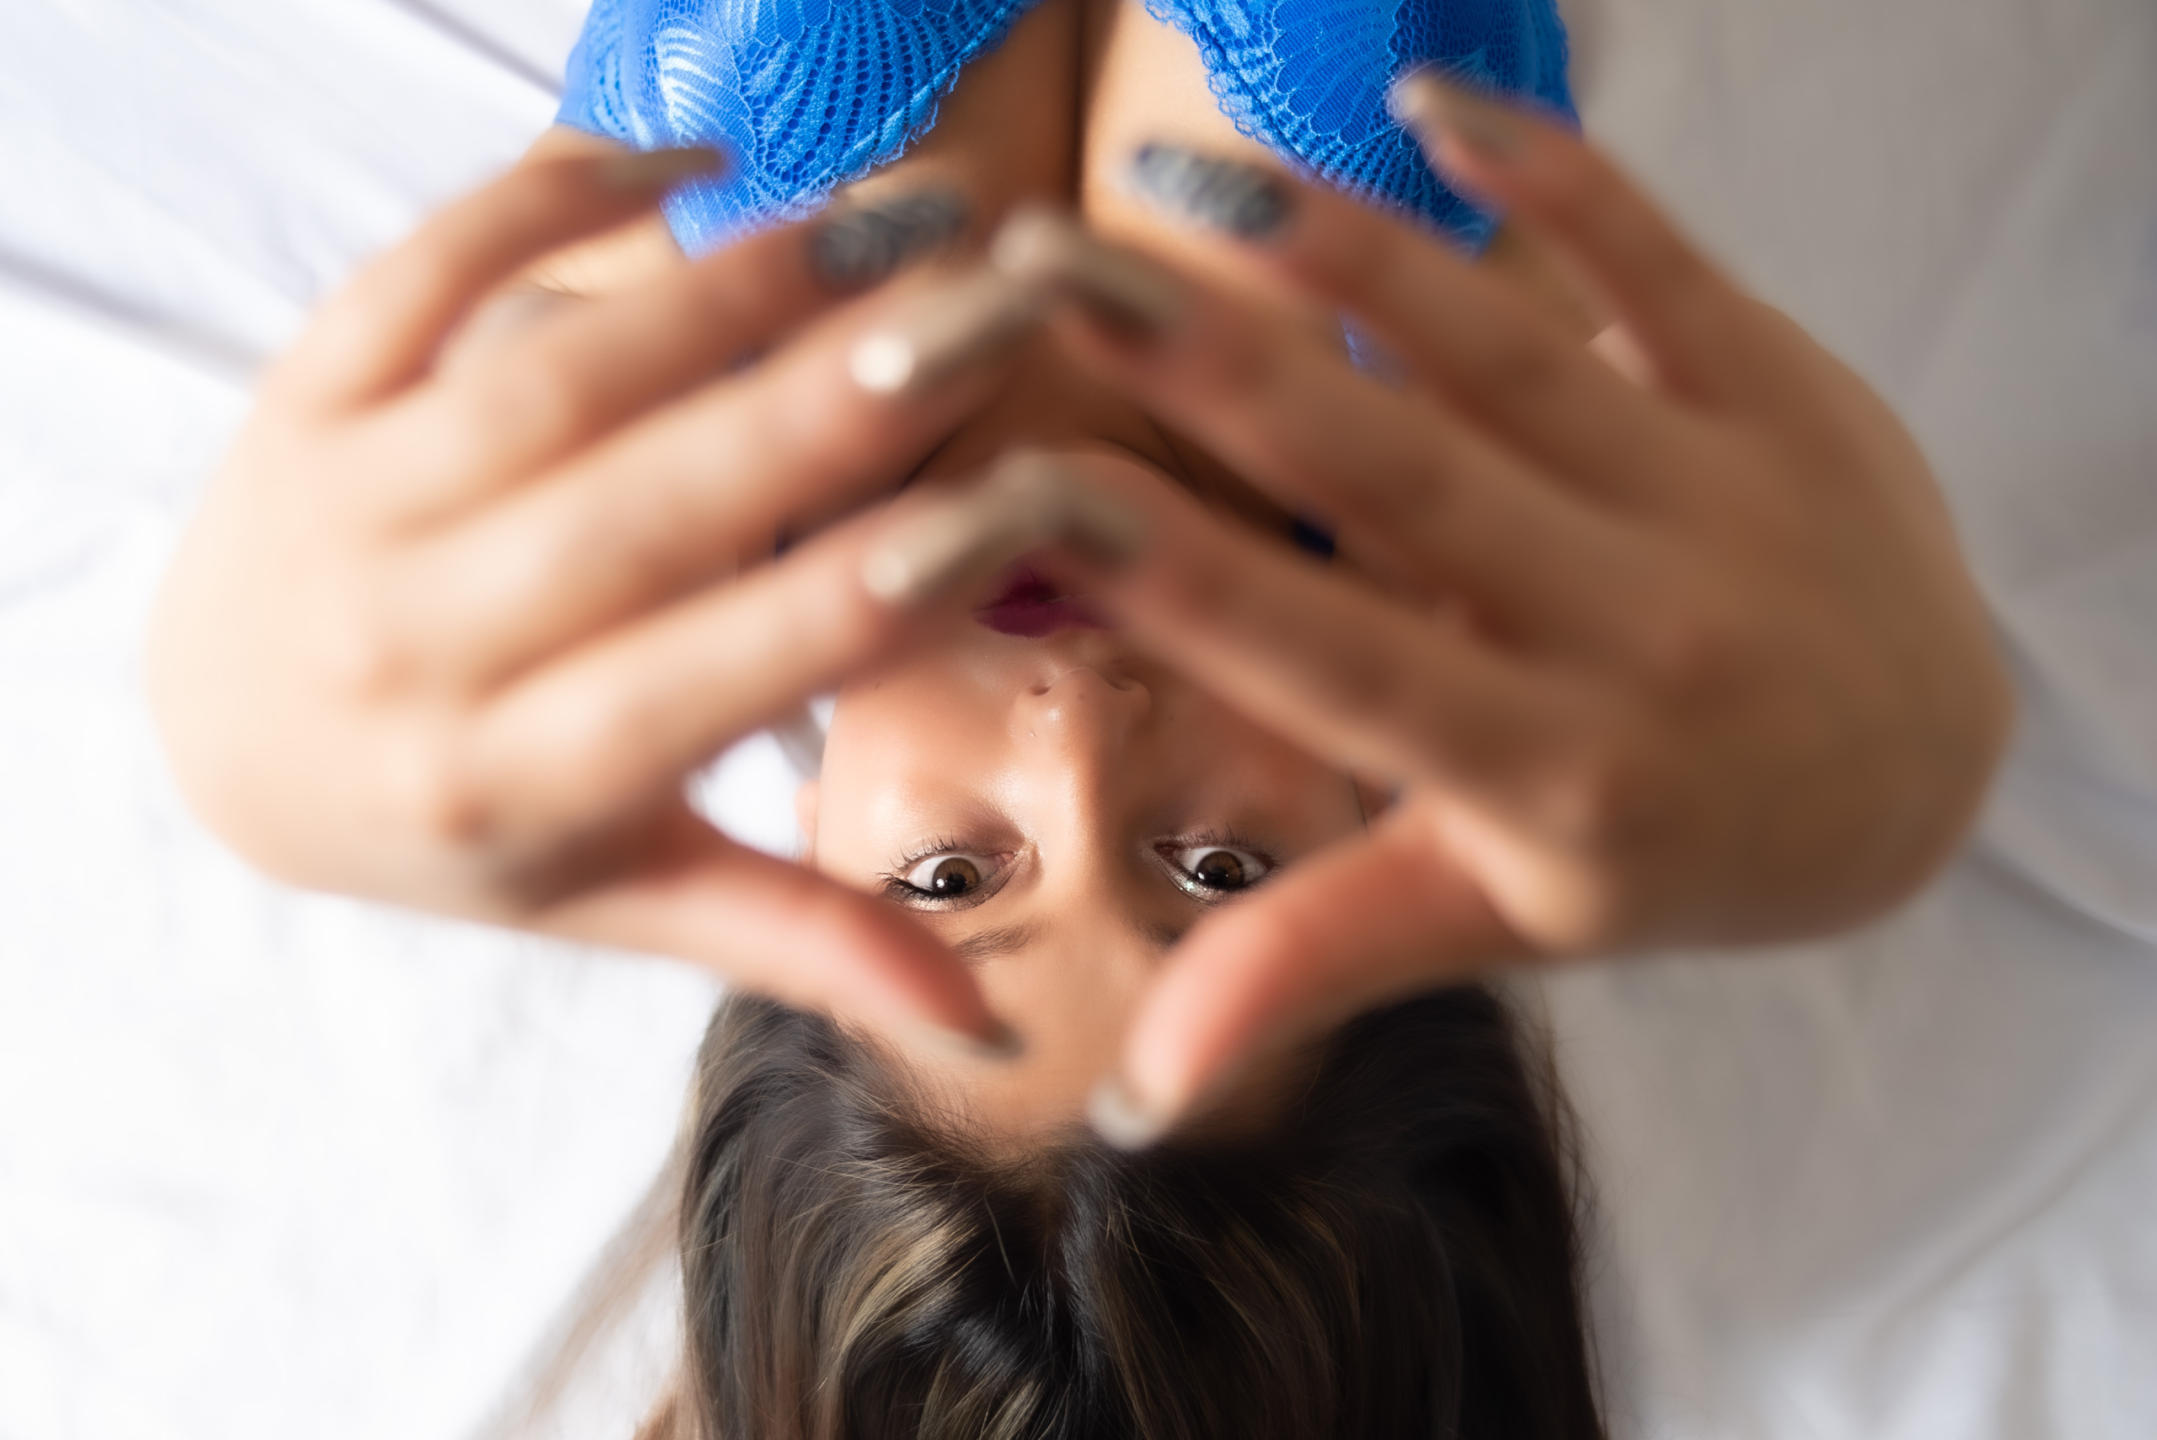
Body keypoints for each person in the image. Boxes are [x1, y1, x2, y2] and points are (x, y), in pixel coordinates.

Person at [141, 0, 2012, 1428]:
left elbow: (514, 339)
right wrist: (1911, 716)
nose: (1074, 727)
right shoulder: (1473, 424)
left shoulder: (658, 446)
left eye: (954, 877)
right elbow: (1730, 487)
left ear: (794, 868)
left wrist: (233, 706)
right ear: (1398, 843)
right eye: (1215, 868)